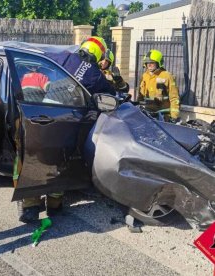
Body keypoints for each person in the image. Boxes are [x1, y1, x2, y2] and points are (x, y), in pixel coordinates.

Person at [16, 36, 115, 223]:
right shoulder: (95, 74)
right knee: (60, 164)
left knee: (36, 162)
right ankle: (54, 207)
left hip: (44, 115)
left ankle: (30, 208)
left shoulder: (65, 57)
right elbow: (110, 94)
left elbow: (43, 61)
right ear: (97, 54)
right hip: (68, 121)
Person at [45, 36, 116, 96]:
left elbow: (43, 57)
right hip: (68, 109)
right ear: (99, 53)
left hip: (48, 99)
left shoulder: (66, 56)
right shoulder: (97, 76)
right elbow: (112, 94)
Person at [138, 49, 180, 122]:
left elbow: (174, 98)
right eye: (147, 63)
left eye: (152, 63)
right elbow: (140, 96)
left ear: (158, 63)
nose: (149, 65)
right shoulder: (145, 76)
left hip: (162, 113)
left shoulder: (167, 76)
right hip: (147, 112)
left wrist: (174, 116)